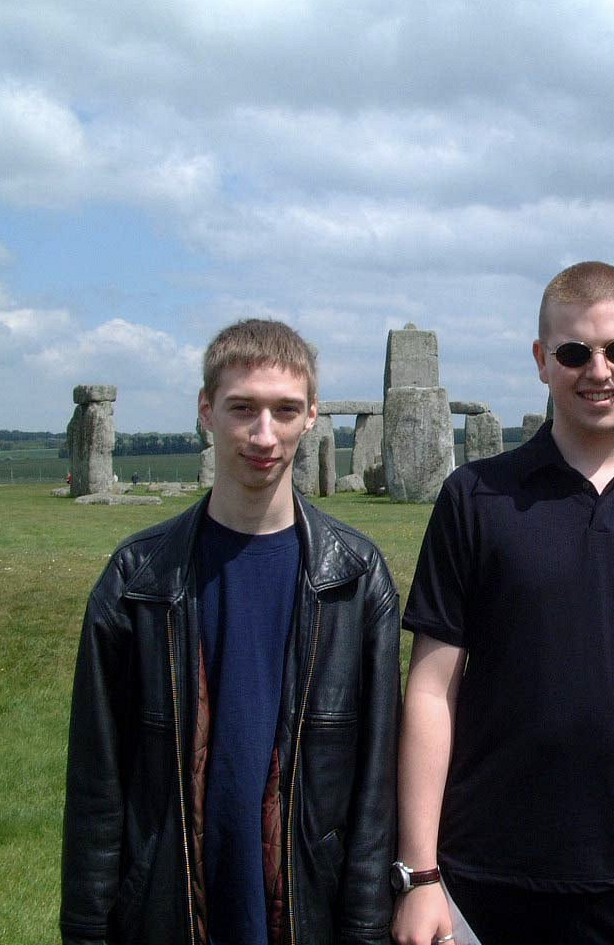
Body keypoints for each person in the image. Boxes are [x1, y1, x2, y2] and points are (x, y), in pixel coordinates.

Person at [391, 261, 614, 945]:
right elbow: (432, 690)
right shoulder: (476, 498)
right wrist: (420, 873)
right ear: (541, 360)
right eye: (574, 353)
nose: (598, 370)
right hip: (486, 873)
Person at [61, 319, 401, 945]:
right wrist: (87, 931)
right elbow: (95, 792)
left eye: (285, 410)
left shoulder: (357, 580)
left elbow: (376, 794)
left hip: (309, 913)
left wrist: (367, 929)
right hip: (167, 912)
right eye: (243, 408)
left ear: (312, 415)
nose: (264, 435)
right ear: (206, 411)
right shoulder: (136, 580)